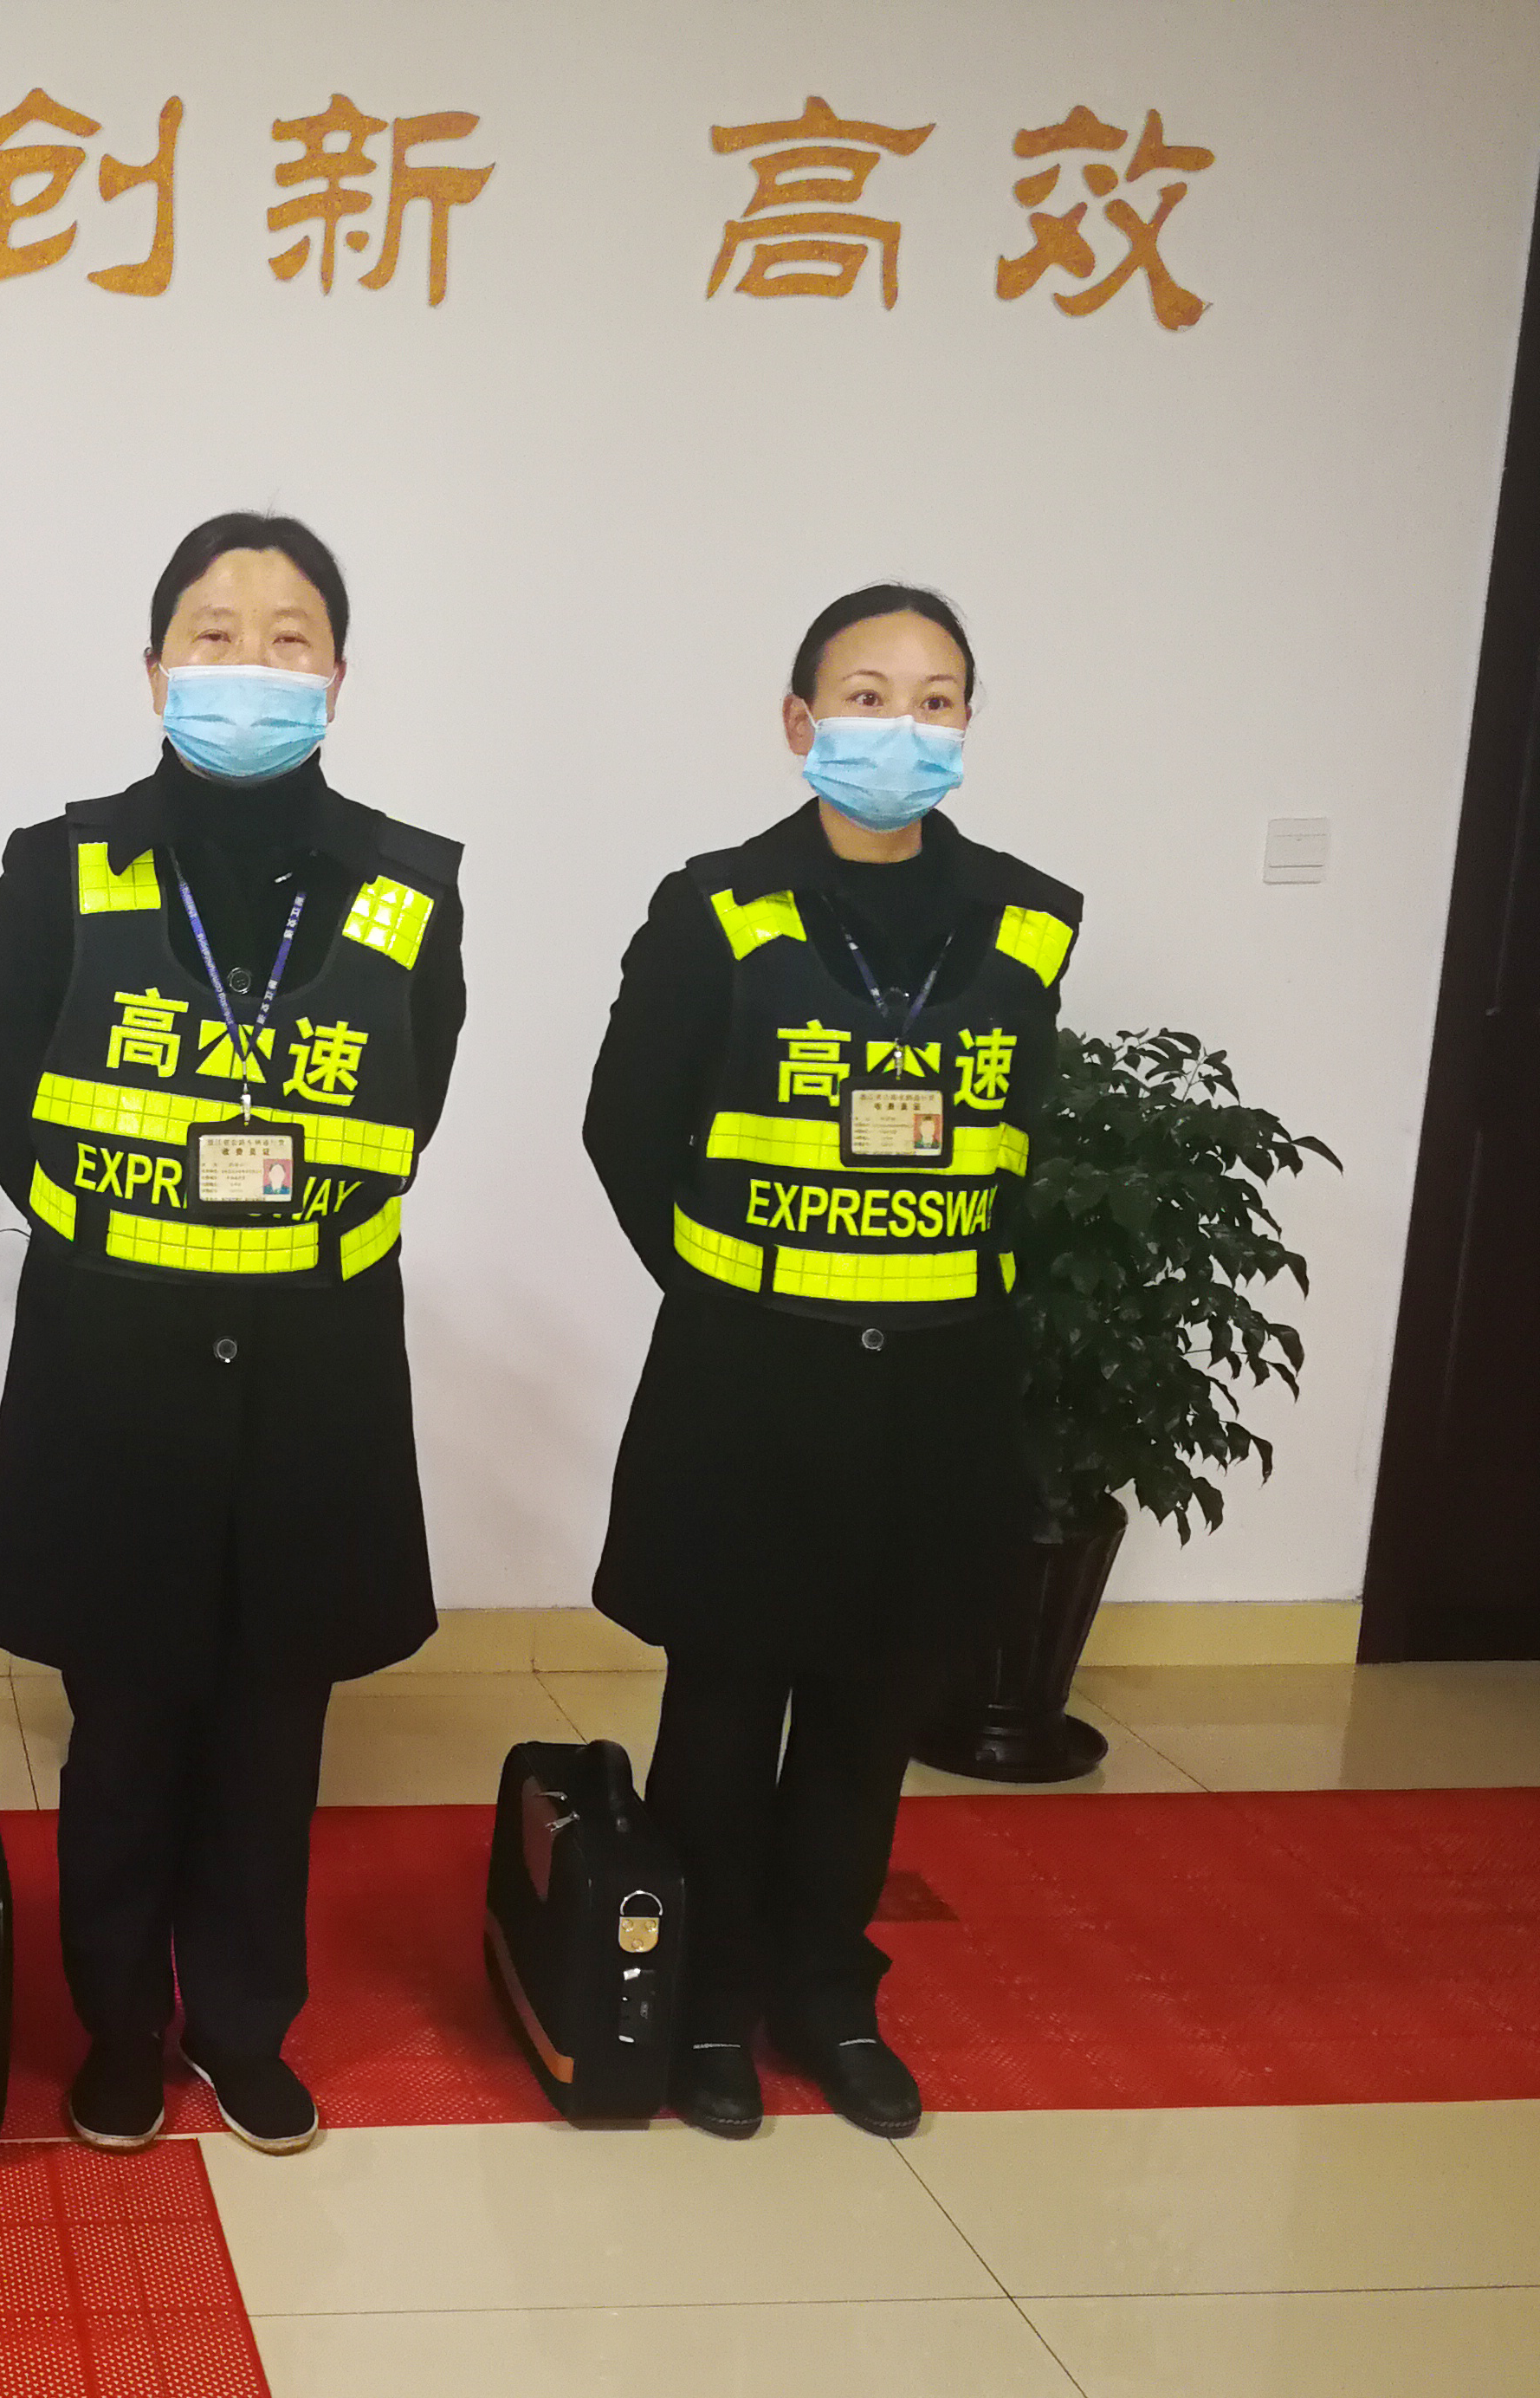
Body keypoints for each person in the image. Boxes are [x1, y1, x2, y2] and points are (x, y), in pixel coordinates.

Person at [0, 513, 465, 2155]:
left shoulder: (407, 884)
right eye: (218, 635)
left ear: (339, 676)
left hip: (313, 1362)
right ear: (157, 666)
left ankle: (245, 2027)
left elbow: (413, 1097)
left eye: (290, 637)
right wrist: (137, 1238)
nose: (254, 666)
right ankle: (120, 2029)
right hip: (119, 1357)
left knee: (271, 1724)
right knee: (126, 1720)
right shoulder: (66, 863)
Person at [581, 583, 1081, 2141]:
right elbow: (625, 1129)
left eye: (936, 700)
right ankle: (708, 2004)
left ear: (970, 726)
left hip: (935, 1395)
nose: (901, 727)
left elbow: (1014, 1145)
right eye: (867, 696)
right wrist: (743, 1287)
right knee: (726, 1711)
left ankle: (827, 1994)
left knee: (874, 1714)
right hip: (752, 1388)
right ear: (801, 722)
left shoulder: (1029, 919)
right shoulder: (718, 907)